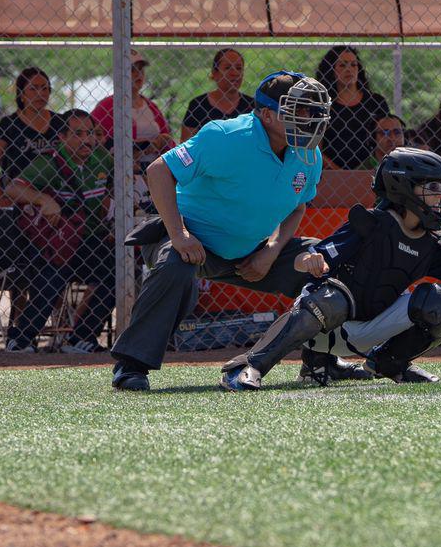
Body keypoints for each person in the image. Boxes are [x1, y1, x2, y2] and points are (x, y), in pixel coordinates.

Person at [219, 148, 441, 389]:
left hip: (366, 333)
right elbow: (312, 256)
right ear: (403, 188)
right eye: (432, 189)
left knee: (440, 302)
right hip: (324, 328)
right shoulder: (372, 224)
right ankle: (253, 368)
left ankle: (389, 363)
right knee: (330, 295)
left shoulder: (433, 243)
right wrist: (309, 259)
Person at [109, 71, 335, 392]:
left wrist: (271, 251)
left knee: (328, 263)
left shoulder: (308, 154)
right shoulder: (227, 136)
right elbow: (159, 170)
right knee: (175, 267)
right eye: (299, 110)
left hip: (253, 250)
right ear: (266, 114)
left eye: (313, 111)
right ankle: (131, 366)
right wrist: (179, 235)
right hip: (192, 239)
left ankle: (323, 360)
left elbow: (298, 206)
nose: (310, 119)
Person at [3, 110, 116, 354]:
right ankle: (21, 338)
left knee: (120, 268)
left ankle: (81, 337)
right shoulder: (49, 162)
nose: (87, 140)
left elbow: (114, 189)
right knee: (54, 272)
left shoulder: (102, 159)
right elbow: (13, 188)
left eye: (90, 133)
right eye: (77, 134)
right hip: (58, 243)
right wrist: (43, 198)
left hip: (90, 241)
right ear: (62, 137)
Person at [0, 67, 59, 207]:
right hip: (20, 198)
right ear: (21, 94)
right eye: (33, 88)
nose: (40, 93)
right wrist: (1, 200)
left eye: (45, 88)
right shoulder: (9, 124)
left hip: (56, 197)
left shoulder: (60, 122)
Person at [91, 48, 176, 168]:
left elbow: (168, 141)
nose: (138, 74)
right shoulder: (106, 106)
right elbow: (95, 141)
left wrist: (160, 142)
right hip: (121, 169)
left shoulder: (151, 106)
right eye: (132, 70)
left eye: (141, 69)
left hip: (154, 168)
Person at [314, 45, 389, 170]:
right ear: (331, 70)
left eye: (354, 65)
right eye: (342, 65)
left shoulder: (376, 102)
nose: (349, 69)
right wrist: (340, 174)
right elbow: (315, 147)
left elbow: (388, 138)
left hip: (372, 171)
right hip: (332, 174)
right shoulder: (322, 104)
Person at [180, 47, 256, 141]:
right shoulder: (198, 105)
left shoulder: (253, 105)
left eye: (239, 68)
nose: (235, 73)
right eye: (228, 68)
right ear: (215, 73)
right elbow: (185, 145)